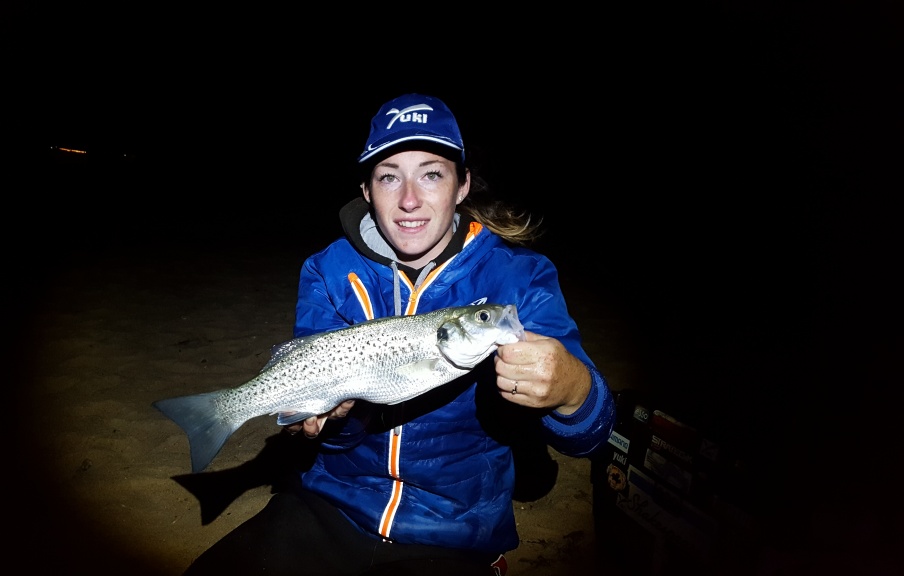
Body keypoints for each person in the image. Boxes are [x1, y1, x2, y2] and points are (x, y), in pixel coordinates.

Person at [184, 93, 616, 576]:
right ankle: (222, 413)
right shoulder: (329, 271)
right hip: (330, 504)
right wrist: (333, 419)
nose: (409, 200)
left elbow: (592, 439)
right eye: (389, 176)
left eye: (431, 173)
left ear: (462, 184)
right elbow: (327, 434)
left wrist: (573, 388)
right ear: (367, 189)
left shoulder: (519, 280)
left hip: (454, 531)